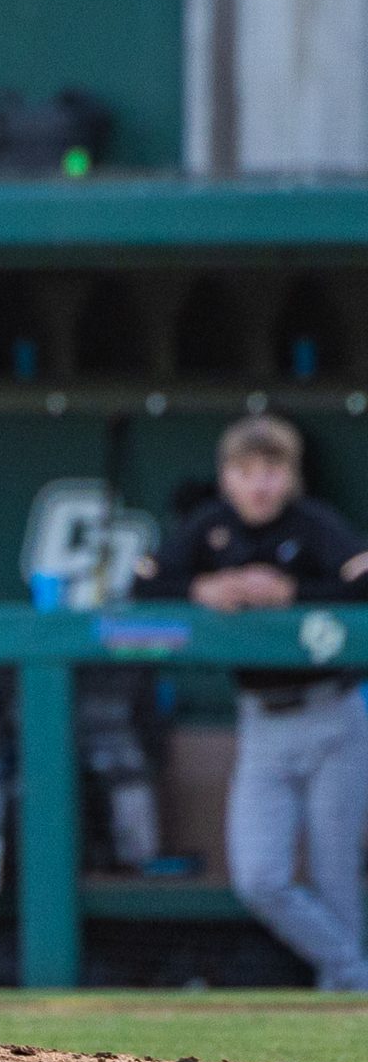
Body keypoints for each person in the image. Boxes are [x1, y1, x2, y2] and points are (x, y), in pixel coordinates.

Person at [141, 415, 368, 990]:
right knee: (260, 876)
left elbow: (361, 577)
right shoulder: (210, 527)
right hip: (261, 721)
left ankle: (343, 1018)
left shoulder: (313, 522)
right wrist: (200, 588)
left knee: (337, 878)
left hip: (331, 712)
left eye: (272, 471)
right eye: (246, 472)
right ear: (227, 477)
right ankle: (352, 971)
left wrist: (294, 593)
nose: (260, 485)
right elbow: (143, 585)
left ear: (290, 476)